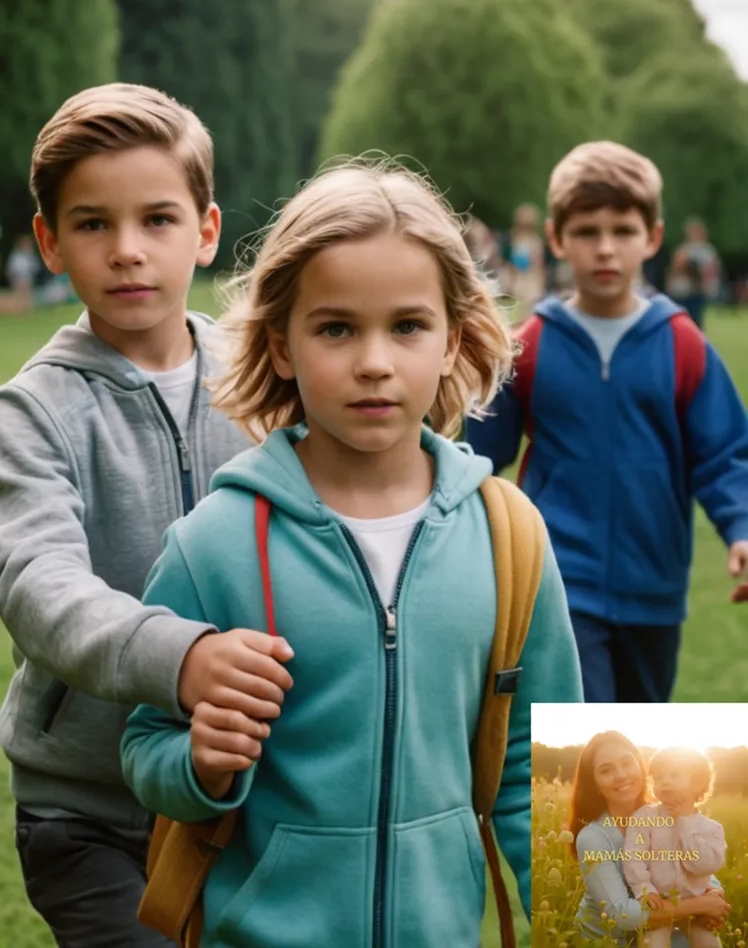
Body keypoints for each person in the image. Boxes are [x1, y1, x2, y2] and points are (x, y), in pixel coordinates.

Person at [120, 160, 584, 947]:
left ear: (453, 341)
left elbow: (545, 777)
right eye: (336, 328)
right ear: (282, 346)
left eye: (407, 326)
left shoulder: (510, 536)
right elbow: (142, 744)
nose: (374, 361)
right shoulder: (214, 543)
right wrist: (198, 763)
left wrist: (613, 926)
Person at [0, 83, 295, 948]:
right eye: (92, 224)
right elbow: (38, 585)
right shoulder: (31, 411)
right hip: (89, 813)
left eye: (157, 219)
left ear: (206, 229)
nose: (127, 251)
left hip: (246, 791)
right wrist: (182, 658)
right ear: (48, 241)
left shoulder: (265, 378)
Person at [467, 141, 748, 703]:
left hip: (655, 589)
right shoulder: (529, 347)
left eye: (622, 231)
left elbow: (724, 455)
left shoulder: (682, 344)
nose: (605, 248)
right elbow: (476, 460)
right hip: (557, 582)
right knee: (580, 739)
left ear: (653, 237)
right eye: (587, 231)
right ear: (556, 238)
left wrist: (741, 527)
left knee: (641, 745)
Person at [569, 731, 729, 945]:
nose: (621, 775)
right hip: (609, 940)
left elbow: (693, 865)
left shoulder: (668, 813)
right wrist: (701, 905)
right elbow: (620, 914)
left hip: (664, 923)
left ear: (640, 765)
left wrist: (714, 893)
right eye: (606, 770)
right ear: (594, 783)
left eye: (627, 763)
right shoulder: (592, 838)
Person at [623, 747, 726, 948]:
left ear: (697, 783)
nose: (665, 782)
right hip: (658, 903)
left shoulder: (712, 829)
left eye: (674, 775)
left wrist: (684, 822)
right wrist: (644, 890)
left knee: (709, 943)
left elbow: (704, 866)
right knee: (652, 943)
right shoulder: (644, 817)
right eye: (658, 778)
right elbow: (633, 857)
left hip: (697, 907)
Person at [666, 219, 722, 329]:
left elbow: (712, 271)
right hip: (683, 290)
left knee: (696, 320)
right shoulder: (683, 249)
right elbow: (674, 269)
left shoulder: (707, 251)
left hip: (697, 290)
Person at [507, 202, 547, 318]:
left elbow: (536, 265)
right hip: (524, 281)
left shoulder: (526, 241)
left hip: (527, 281)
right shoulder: (524, 240)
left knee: (525, 314)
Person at [5, 232, 40, 308]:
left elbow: (36, 268)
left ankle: (27, 306)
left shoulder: (31, 256)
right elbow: (11, 270)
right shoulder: (15, 256)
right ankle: (17, 306)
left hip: (28, 278)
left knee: (27, 289)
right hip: (17, 279)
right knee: (20, 289)